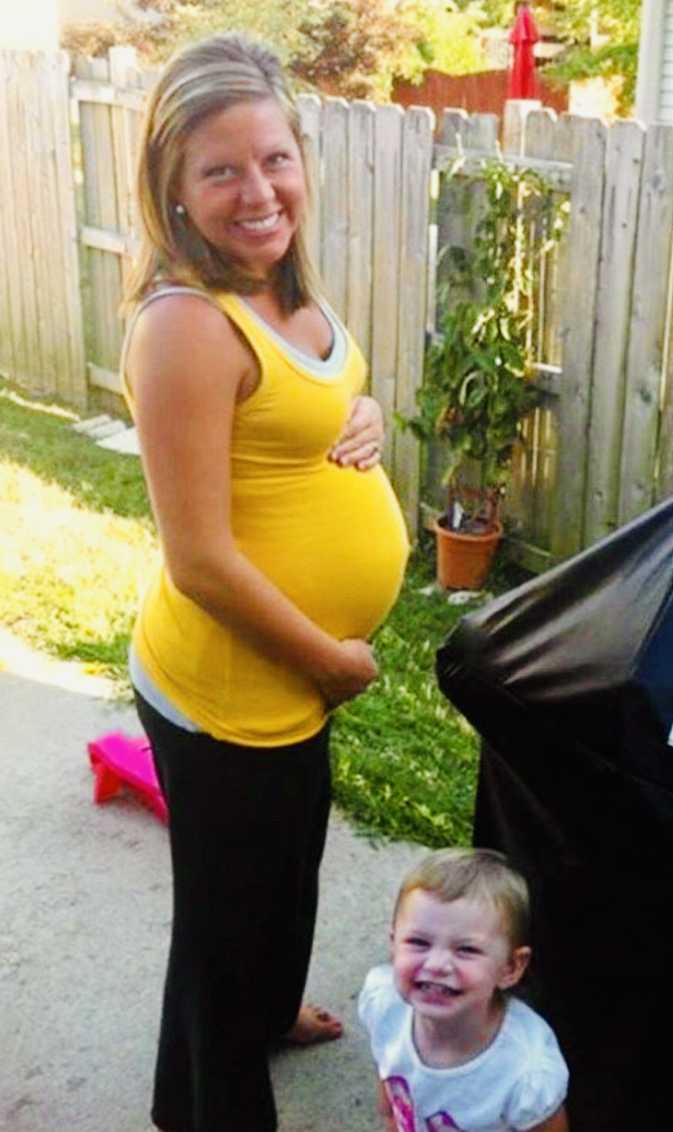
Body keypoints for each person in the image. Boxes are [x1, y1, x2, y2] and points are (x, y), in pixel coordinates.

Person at [121, 33, 410, 1132]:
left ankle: (268, 1008)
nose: (258, 191)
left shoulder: (287, 293)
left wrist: (361, 411)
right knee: (226, 921)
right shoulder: (187, 322)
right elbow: (197, 559)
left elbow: (301, 410)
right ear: (175, 192)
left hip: (286, 682)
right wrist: (329, 657)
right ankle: (206, 1106)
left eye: (274, 159)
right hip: (234, 688)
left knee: (283, 876)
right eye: (221, 170)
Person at [359, 848, 570, 1132]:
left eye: (466, 949)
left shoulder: (525, 1072)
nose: (436, 965)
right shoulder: (384, 1003)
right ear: (393, 943)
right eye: (418, 942)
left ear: (510, 967)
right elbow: (390, 1075)